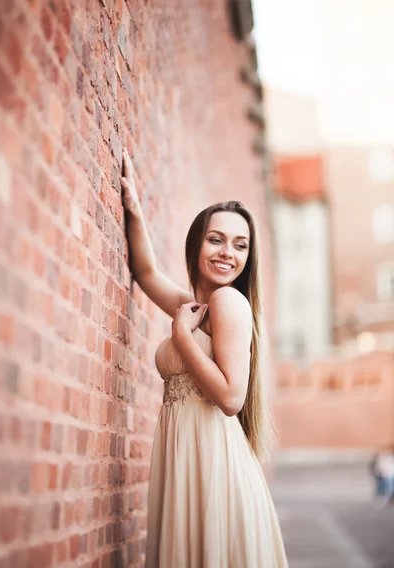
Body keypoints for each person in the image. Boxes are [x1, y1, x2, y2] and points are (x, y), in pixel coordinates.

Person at [121, 149, 288, 567]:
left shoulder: (228, 303)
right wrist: (134, 209)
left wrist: (180, 334)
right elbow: (146, 273)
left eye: (240, 245)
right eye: (216, 239)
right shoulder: (200, 307)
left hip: (212, 464)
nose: (227, 252)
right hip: (187, 457)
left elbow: (231, 399)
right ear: (197, 243)